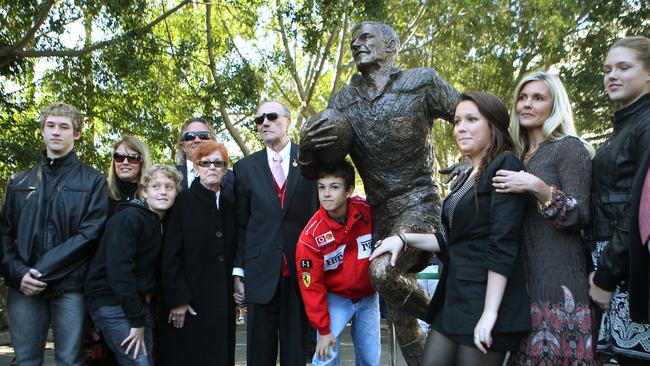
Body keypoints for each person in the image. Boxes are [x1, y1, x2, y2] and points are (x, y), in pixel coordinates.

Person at [299, 21, 459, 363]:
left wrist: (473, 161)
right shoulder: (343, 101)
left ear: (391, 46)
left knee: (383, 272)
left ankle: (444, 319)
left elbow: (471, 115)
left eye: (366, 37)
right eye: (353, 40)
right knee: (402, 322)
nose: (357, 44)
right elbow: (321, 171)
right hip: (379, 215)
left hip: (420, 203)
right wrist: (306, 150)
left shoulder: (421, 82)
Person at [370, 92, 530, 366]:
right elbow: (449, 240)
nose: (461, 128)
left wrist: (490, 313)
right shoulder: (468, 173)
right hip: (453, 296)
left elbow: (503, 242)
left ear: (493, 124)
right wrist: (402, 238)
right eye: (457, 121)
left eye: (471, 119)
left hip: (483, 299)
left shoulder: (505, 165)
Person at [489, 71, 597, 364]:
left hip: (558, 282)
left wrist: (538, 187)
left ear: (554, 105)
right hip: (521, 284)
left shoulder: (569, 148)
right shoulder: (517, 155)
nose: (527, 104)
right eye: (522, 98)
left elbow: (579, 215)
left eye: (538, 98)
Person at [0, 102, 108, 365]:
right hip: (23, 286)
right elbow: (3, 234)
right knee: (26, 360)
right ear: (42, 131)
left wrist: (39, 271)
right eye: (50, 126)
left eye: (64, 126)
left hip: (70, 287)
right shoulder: (19, 182)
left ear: (77, 133)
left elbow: (90, 234)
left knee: (69, 361)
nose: (56, 132)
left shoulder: (93, 180)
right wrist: (19, 273)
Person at [234, 100, 317, 365]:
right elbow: (242, 224)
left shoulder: (311, 161)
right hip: (260, 274)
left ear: (288, 121)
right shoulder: (245, 168)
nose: (264, 123)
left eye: (271, 116)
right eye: (259, 120)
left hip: (301, 272)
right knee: (259, 355)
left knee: (297, 353)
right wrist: (239, 271)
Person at [587, 35, 650, 365]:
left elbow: (641, 209)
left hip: (629, 272)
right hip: (615, 269)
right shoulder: (627, 124)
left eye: (624, 67)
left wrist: (606, 275)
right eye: (608, 69)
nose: (612, 75)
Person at [85, 164, 181, 366]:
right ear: (144, 191)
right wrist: (136, 321)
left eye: (169, 187)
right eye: (156, 186)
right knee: (138, 363)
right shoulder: (129, 218)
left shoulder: (159, 223)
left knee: (146, 361)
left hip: (135, 304)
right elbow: (119, 272)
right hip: (111, 301)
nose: (163, 192)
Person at [158, 141, 238, 365]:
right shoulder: (181, 203)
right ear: (196, 167)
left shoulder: (231, 206)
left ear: (225, 168)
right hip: (189, 304)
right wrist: (177, 299)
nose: (212, 167)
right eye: (205, 163)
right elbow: (169, 256)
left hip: (221, 305)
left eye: (218, 163)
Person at [296, 161, 380, 365]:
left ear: (349, 190)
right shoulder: (310, 238)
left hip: (368, 296)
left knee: (371, 359)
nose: (326, 194)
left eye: (334, 187)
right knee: (326, 357)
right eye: (321, 187)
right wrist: (323, 329)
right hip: (334, 298)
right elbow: (311, 287)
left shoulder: (368, 211)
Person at [175, 117, 234, 201]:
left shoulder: (233, 178)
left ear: (213, 141)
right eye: (190, 136)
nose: (197, 140)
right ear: (183, 146)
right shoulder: (170, 177)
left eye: (203, 135)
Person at [108, 135, 153, 215]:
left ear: (142, 162)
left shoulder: (153, 196)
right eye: (119, 157)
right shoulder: (101, 193)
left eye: (133, 158)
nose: (125, 162)